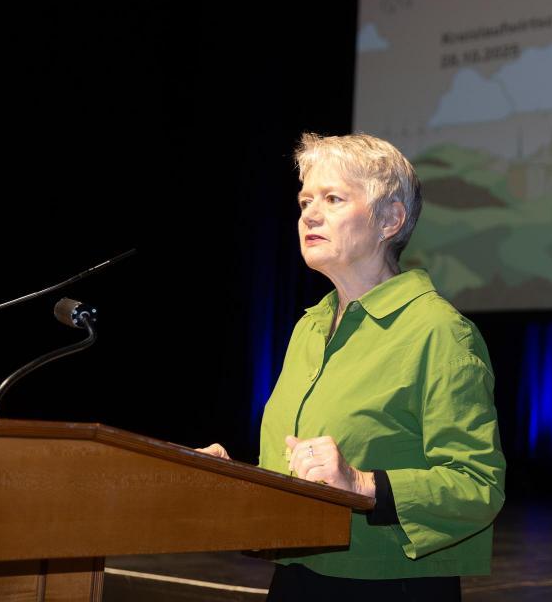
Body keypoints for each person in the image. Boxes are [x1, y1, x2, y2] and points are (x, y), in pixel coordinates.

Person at [198, 132, 505, 600]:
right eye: (305, 201)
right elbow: (299, 475)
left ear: (390, 219)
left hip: (387, 586)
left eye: (333, 198)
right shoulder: (310, 328)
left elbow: (477, 486)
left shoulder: (438, 331)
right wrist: (233, 481)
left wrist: (363, 484)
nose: (310, 215)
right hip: (296, 577)